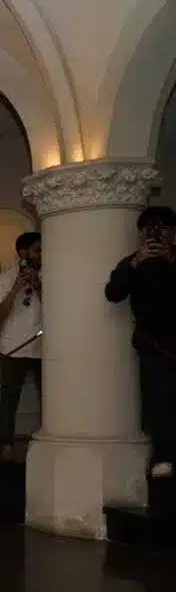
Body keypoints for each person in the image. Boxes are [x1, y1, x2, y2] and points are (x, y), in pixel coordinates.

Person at [106, 205, 176, 480]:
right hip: (152, 345)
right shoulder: (132, 262)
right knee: (158, 402)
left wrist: (170, 261)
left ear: (172, 232)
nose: (156, 234)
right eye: (150, 230)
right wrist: (135, 263)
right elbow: (113, 293)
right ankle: (163, 458)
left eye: (162, 229)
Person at [0, 232, 43, 461]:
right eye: (38, 250)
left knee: (49, 399)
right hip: (13, 348)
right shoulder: (4, 279)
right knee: (9, 400)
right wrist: (14, 289)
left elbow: (61, 310)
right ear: (23, 253)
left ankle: (47, 444)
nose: (42, 254)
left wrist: (38, 284)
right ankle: (6, 446)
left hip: (44, 348)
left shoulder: (52, 274)